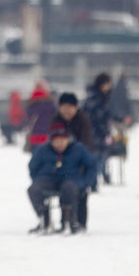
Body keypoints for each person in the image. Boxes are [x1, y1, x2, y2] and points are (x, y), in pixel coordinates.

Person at [27, 122, 96, 234]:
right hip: (48, 179)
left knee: (69, 189)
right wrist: (37, 180)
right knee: (34, 190)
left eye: (63, 140)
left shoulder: (78, 149)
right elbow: (33, 167)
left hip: (71, 179)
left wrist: (85, 182)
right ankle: (44, 220)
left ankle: (69, 221)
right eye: (56, 140)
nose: (60, 143)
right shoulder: (42, 150)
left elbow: (91, 166)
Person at [57, 91, 94, 229]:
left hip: (81, 160)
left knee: (82, 193)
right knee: (64, 191)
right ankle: (65, 220)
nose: (66, 110)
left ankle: (81, 221)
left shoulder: (83, 120)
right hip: (62, 161)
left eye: (70, 107)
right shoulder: (56, 120)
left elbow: (86, 142)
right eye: (64, 107)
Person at [83, 72, 113, 187]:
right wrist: (105, 132)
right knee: (97, 159)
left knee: (98, 158)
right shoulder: (97, 98)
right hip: (96, 134)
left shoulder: (96, 97)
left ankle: (93, 182)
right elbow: (98, 117)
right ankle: (91, 183)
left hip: (95, 133)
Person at [24, 80, 58, 152]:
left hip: (34, 136)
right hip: (47, 135)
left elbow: (26, 119)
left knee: (36, 157)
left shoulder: (30, 103)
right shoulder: (50, 103)